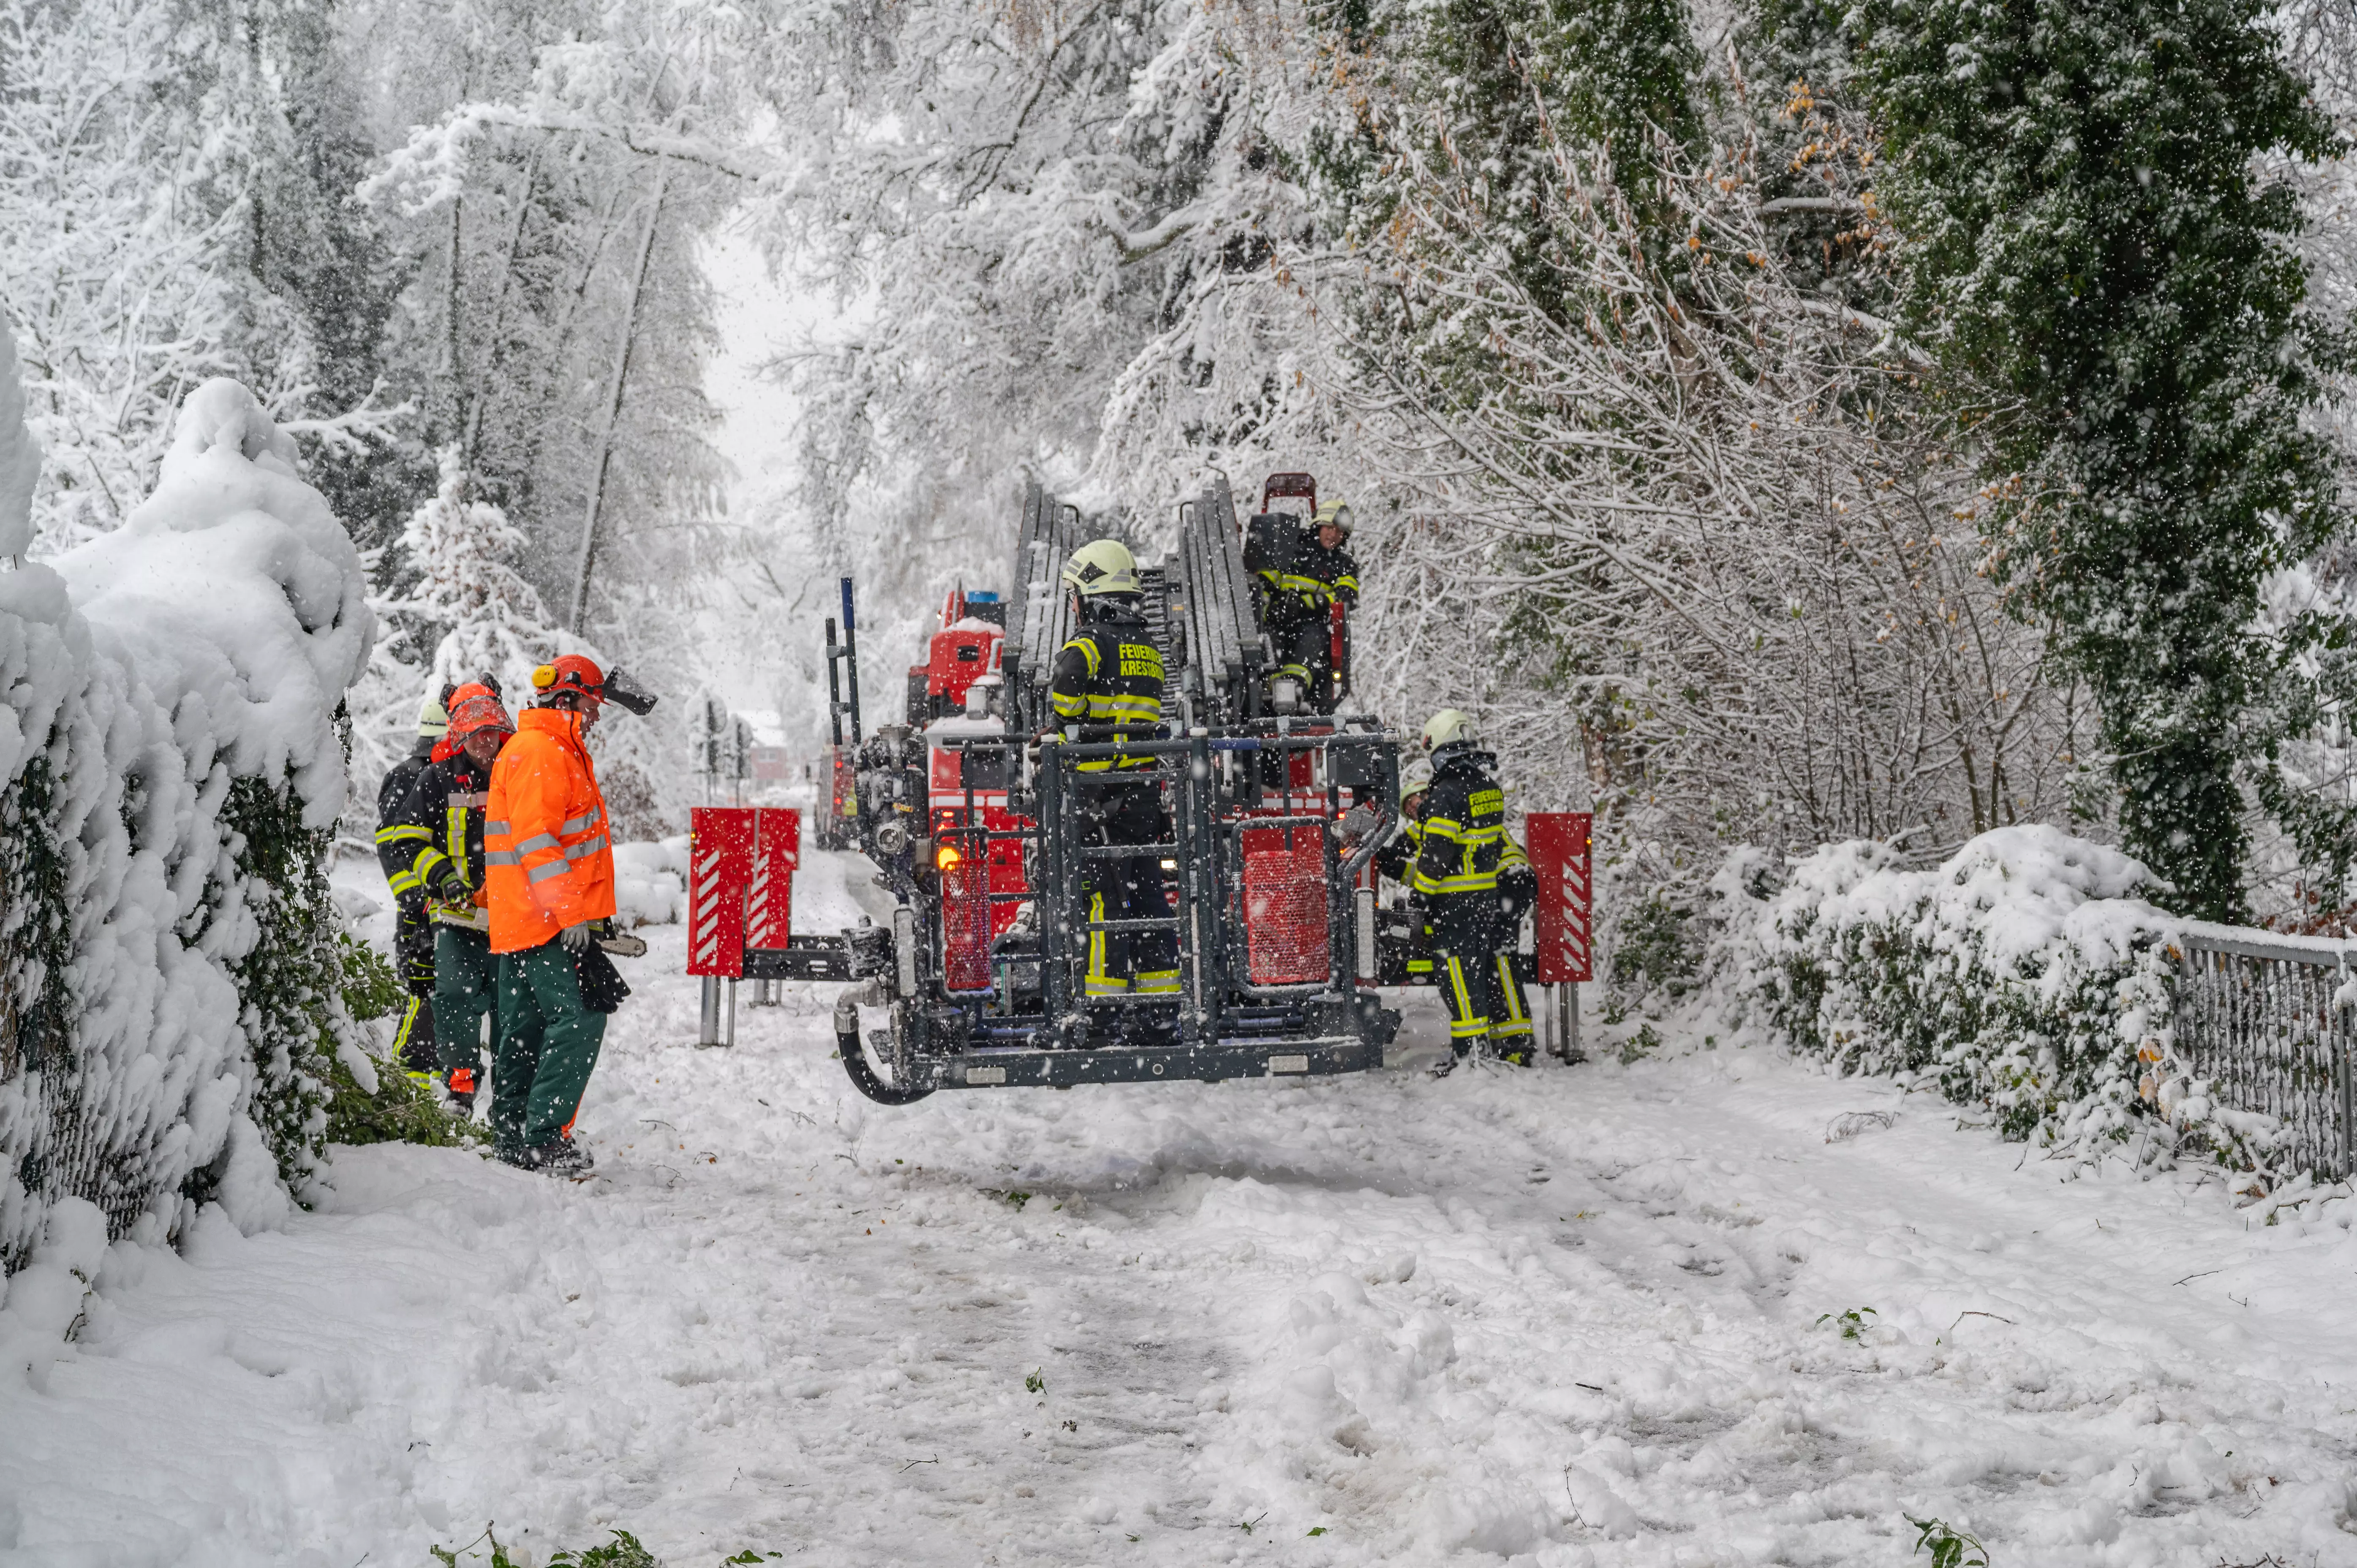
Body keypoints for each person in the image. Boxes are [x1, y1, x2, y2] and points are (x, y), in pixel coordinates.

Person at [484, 654, 656, 1174]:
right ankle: (543, 1137)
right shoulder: (542, 751)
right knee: (580, 1019)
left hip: (529, 918)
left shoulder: (548, 748)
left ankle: (512, 1134)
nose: (598, 716)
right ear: (569, 699)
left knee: (526, 1027)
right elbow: (540, 844)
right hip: (546, 921)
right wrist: (570, 914)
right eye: (593, 704)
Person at [1046, 539, 1178, 1011]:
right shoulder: (1148, 648)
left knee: (1104, 901)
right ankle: (1161, 1007)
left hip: (1095, 796)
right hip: (1141, 795)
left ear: (1091, 593)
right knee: (1150, 898)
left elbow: (1064, 686)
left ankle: (1101, 1011)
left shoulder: (1090, 643)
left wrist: (1069, 723)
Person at [392, 682, 514, 1114]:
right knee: (453, 999)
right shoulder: (439, 777)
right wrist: (443, 877)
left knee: (511, 1009)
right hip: (457, 915)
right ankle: (460, 1088)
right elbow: (407, 838)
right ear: (461, 734)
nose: (486, 741)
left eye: (492, 731)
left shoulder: (517, 769)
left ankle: (510, 1097)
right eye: (477, 733)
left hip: (511, 917)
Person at [1412, 709, 1538, 1073]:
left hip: (1455, 905)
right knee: (1480, 976)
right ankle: (1485, 1050)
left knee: (1458, 981)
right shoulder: (1487, 787)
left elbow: (1437, 855)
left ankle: (1470, 1057)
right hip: (1485, 900)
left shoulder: (1447, 794)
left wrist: (1420, 897)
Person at [374, 690, 452, 1077]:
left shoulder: (442, 774)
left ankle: (432, 1069)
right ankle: (410, 1069)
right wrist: (415, 898)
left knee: (444, 989)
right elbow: (391, 844)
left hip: (445, 905)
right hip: (420, 910)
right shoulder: (409, 776)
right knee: (424, 989)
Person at [1261, 499, 1360, 713]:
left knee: (1313, 640)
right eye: (1330, 528)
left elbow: (1348, 596)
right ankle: (1271, 688)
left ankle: (1295, 689)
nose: (1334, 536)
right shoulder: (1288, 550)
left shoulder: (1343, 566)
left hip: (1313, 621)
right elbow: (1263, 583)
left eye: (1340, 533)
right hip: (1277, 618)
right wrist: (1269, 610)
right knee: (1268, 642)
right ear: (1319, 525)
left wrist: (1312, 603)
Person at [1377, 755, 1437, 982]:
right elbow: (1410, 849)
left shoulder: (1441, 820)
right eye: (1410, 809)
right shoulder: (1424, 829)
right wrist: (1394, 865)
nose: (1414, 809)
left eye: (1415, 801)